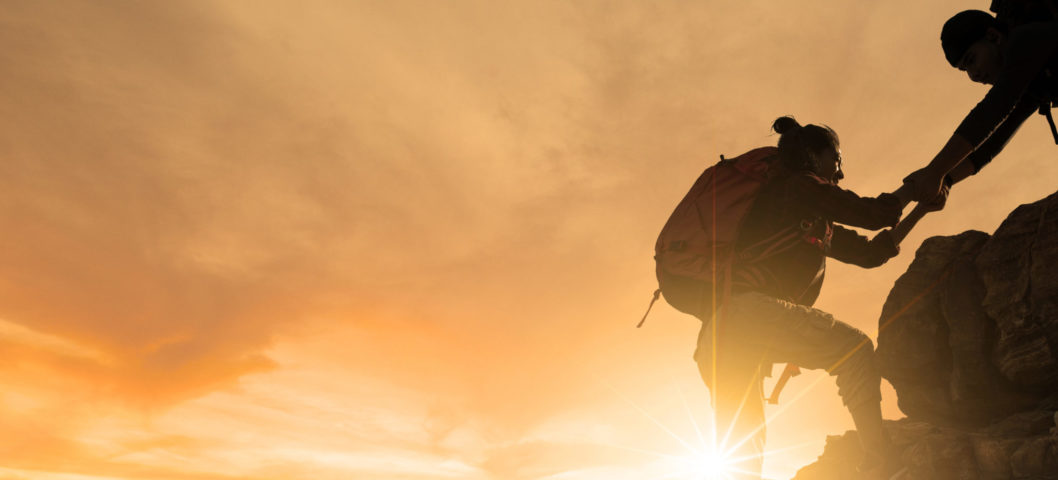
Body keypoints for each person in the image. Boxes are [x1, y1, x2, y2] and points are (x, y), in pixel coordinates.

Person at [661, 117, 937, 479]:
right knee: (854, 352)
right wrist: (915, 188)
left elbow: (871, 253)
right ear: (813, 156)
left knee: (744, 450)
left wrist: (922, 210)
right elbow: (875, 215)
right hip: (749, 315)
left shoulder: (803, 217)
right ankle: (878, 465)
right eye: (835, 162)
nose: (839, 174)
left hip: (718, 336)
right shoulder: (799, 187)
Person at [904, 8, 1058, 203]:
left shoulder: (1026, 40)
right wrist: (946, 180)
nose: (973, 75)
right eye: (965, 69)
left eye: (971, 60)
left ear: (993, 37)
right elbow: (996, 138)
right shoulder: (1033, 78)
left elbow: (993, 110)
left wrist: (935, 172)